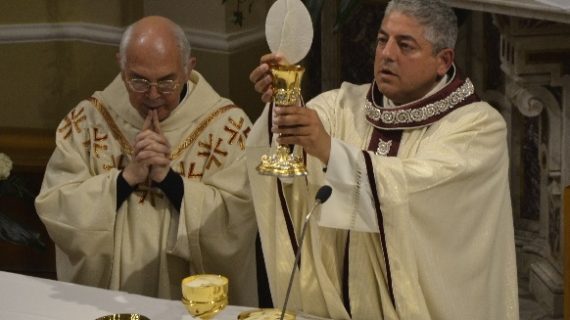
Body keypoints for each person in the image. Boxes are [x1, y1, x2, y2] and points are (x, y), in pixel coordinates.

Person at [246, 0, 518, 319]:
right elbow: (286, 149)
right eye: (382, 39)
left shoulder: (478, 129)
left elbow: (417, 189)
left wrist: (328, 149)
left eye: (405, 45)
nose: (387, 54)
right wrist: (284, 100)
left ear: (443, 60)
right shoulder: (345, 106)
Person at [35, 16, 258, 306]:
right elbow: (56, 206)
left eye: (167, 81)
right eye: (139, 80)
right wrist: (125, 179)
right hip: (108, 303)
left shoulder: (228, 128)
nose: (153, 95)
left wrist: (170, 181)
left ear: (189, 67)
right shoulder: (88, 121)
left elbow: (240, 219)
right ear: (121, 66)